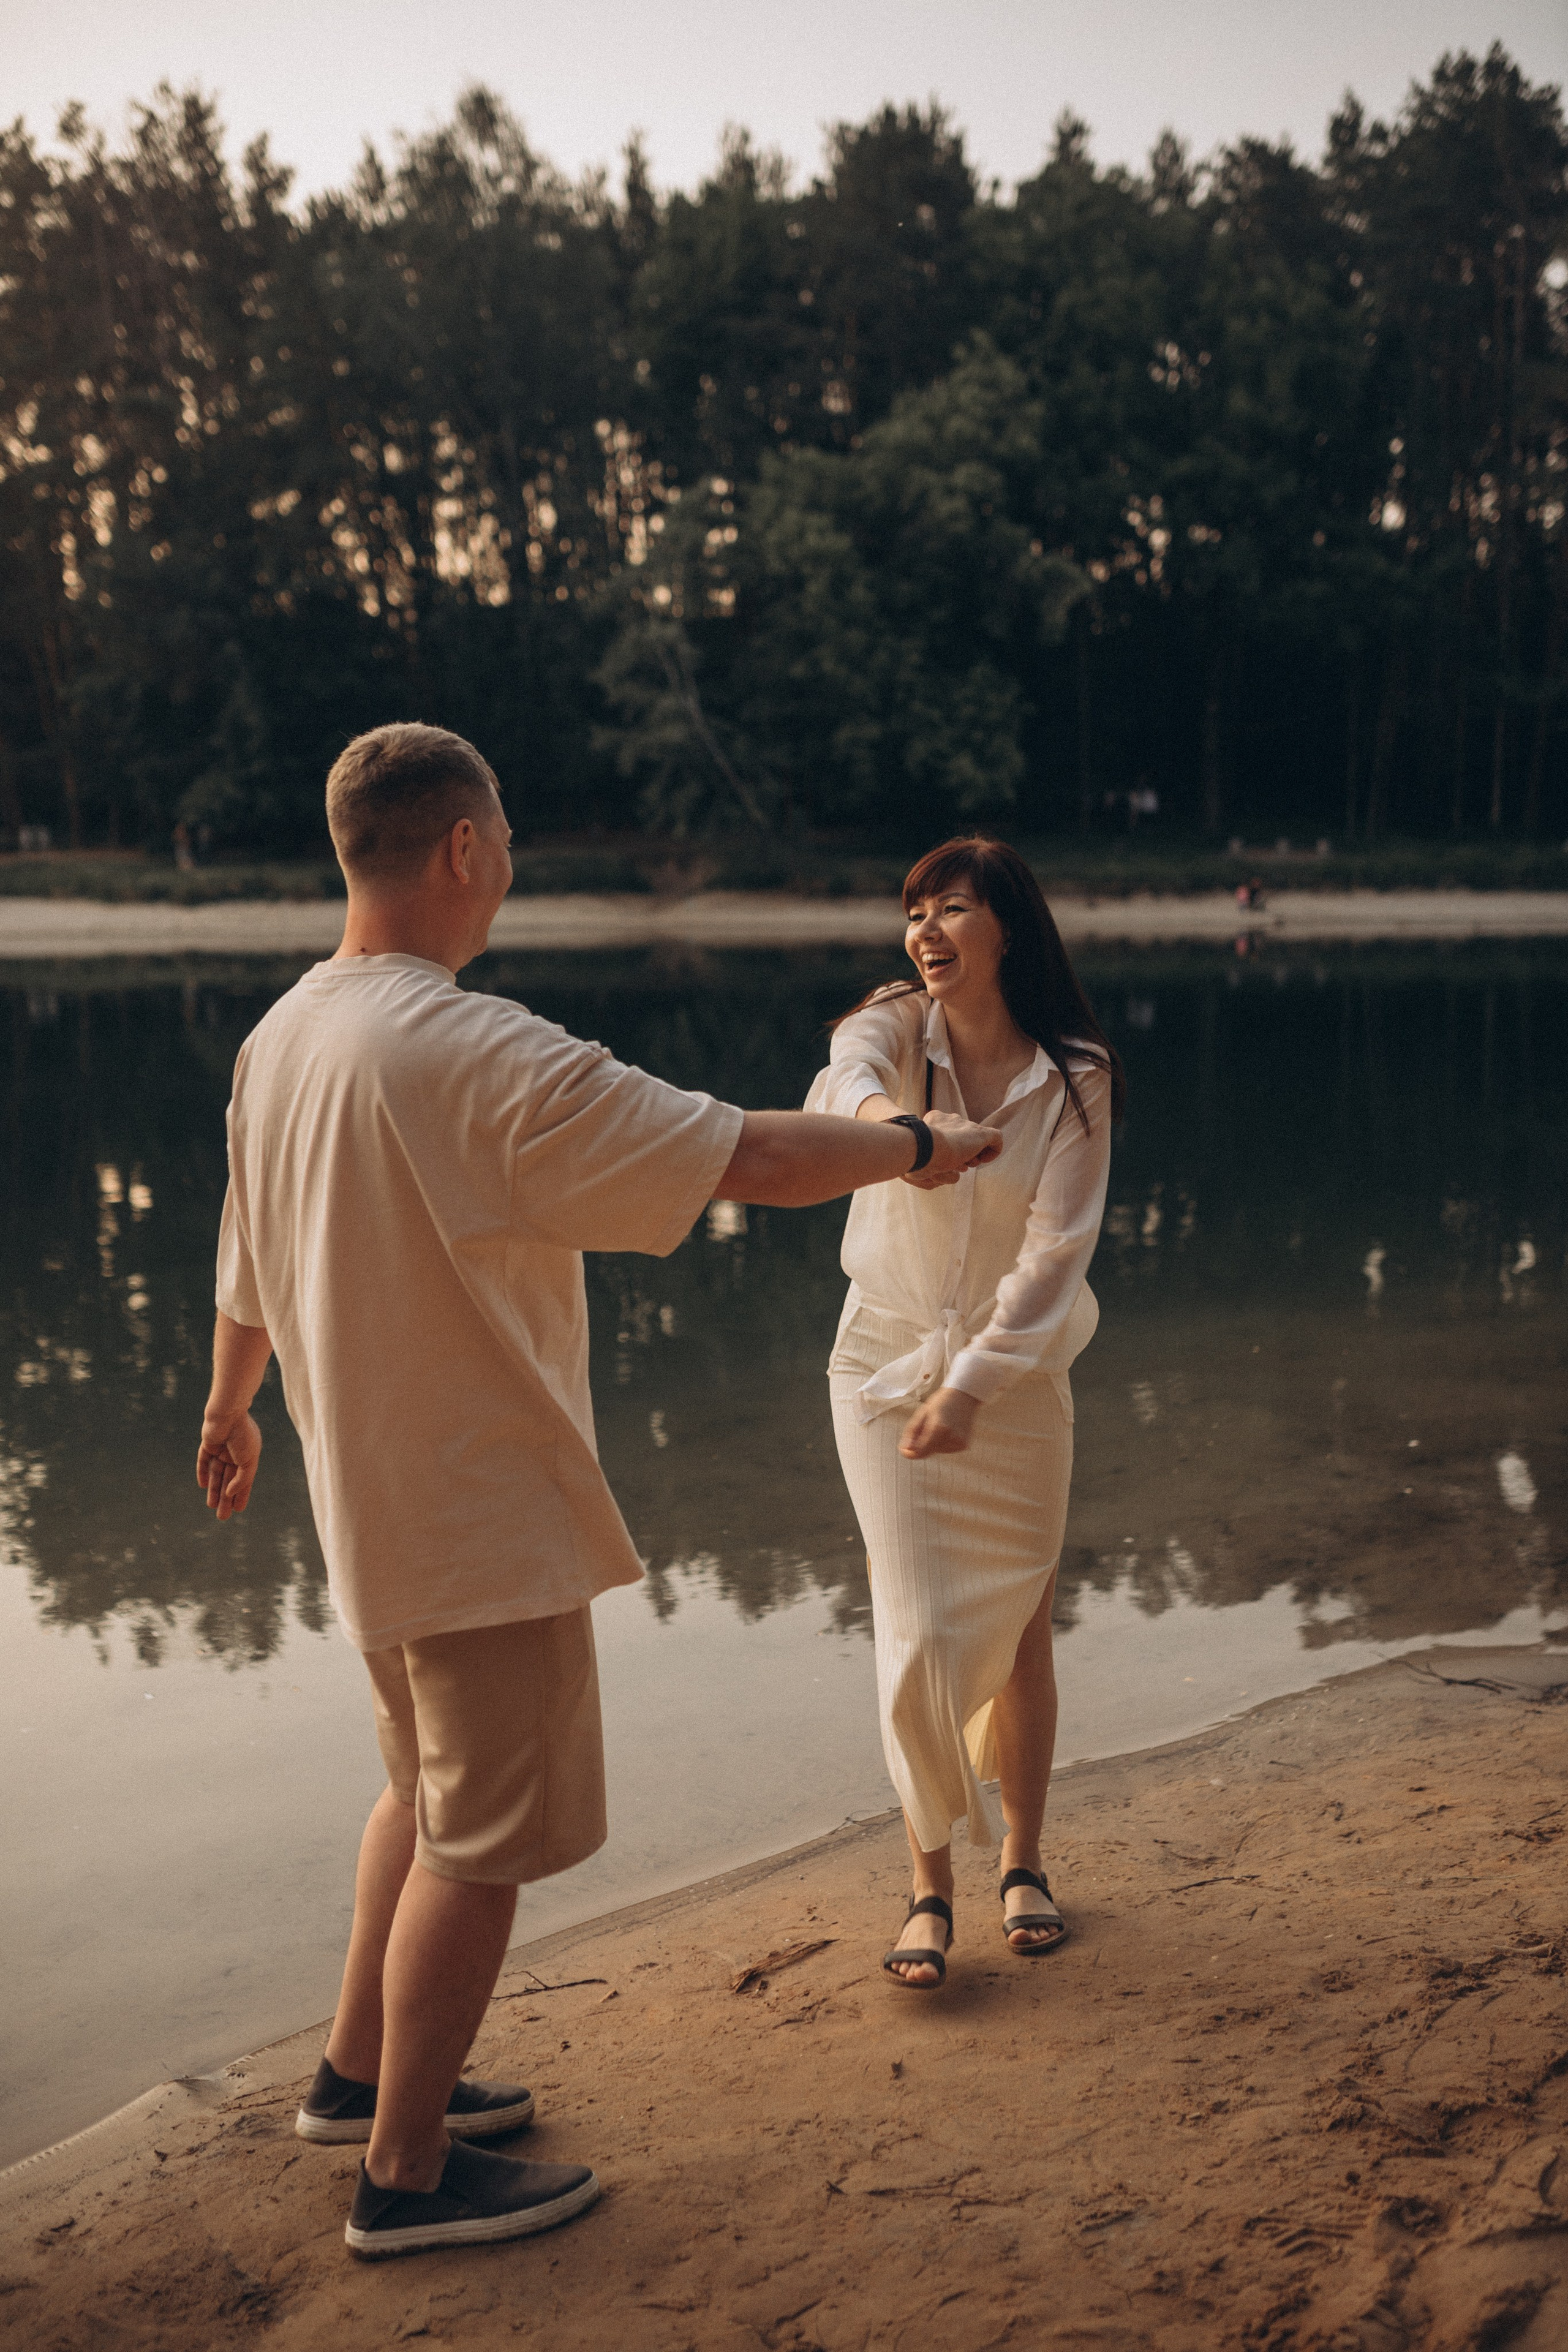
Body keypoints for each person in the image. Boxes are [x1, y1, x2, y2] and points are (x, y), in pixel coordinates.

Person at [197, 725, 1001, 2258]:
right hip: (473, 1505)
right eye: (502, 837)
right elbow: (745, 1155)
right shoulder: (463, 1046)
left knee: (419, 1793)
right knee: (477, 1840)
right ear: (461, 850)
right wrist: (914, 1143)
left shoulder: (282, 1034)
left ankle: (351, 2079)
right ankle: (408, 2179)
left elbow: (242, 1254)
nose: (506, 864)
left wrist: (230, 1404)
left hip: (361, 1504)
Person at [805, 837, 1122, 1988]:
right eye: (916, 912)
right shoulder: (894, 1029)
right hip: (882, 1365)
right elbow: (839, 1080)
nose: (927, 932)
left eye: (951, 909)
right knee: (918, 1627)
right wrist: (907, 1134)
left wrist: (975, 1384)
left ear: (1008, 930)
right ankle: (929, 1882)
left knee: (1025, 1626)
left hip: (1016, 1381)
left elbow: (1054, 1260)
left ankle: (1025, 1863)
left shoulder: (1075, 1075)